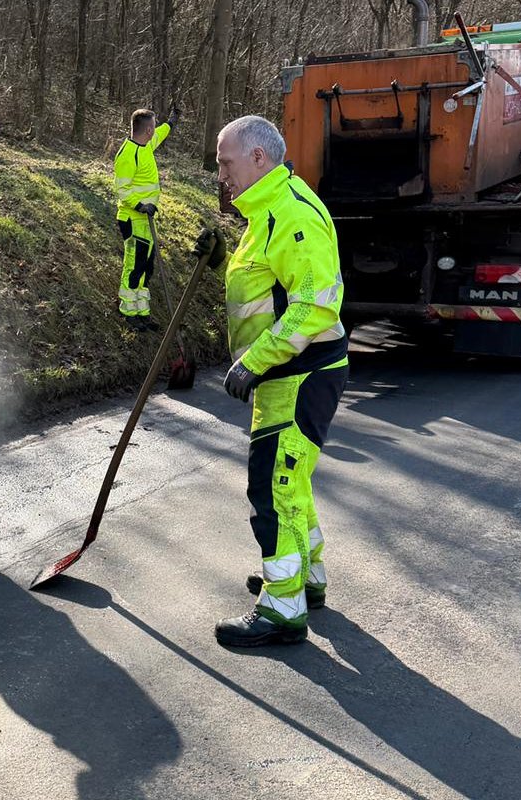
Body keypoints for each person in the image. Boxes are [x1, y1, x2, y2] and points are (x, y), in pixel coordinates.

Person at [194, 115, 349, 648]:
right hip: (285, 375)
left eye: (226, 163)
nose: (222, 175)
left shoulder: (291, 214)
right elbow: (265, 285)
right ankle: (306, 578)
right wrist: (221, 260)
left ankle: (283, 608)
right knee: (292, 482)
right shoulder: (266, 208)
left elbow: (313, 306)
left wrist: (253, 362)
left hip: (300, 374)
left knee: (274, 489)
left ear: (258, 157)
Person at [113, 105, 180, 332]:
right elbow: (122, 189)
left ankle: (142, 311)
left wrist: (171, 122)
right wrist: (140, 205)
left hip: (146, 221)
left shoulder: (147, 144)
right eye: (154, 126)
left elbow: (161, 133)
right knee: (134, 265)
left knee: (146, 266)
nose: (155, 130)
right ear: (147, 130)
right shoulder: (127, 154)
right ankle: (128, 311)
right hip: (132, 219)